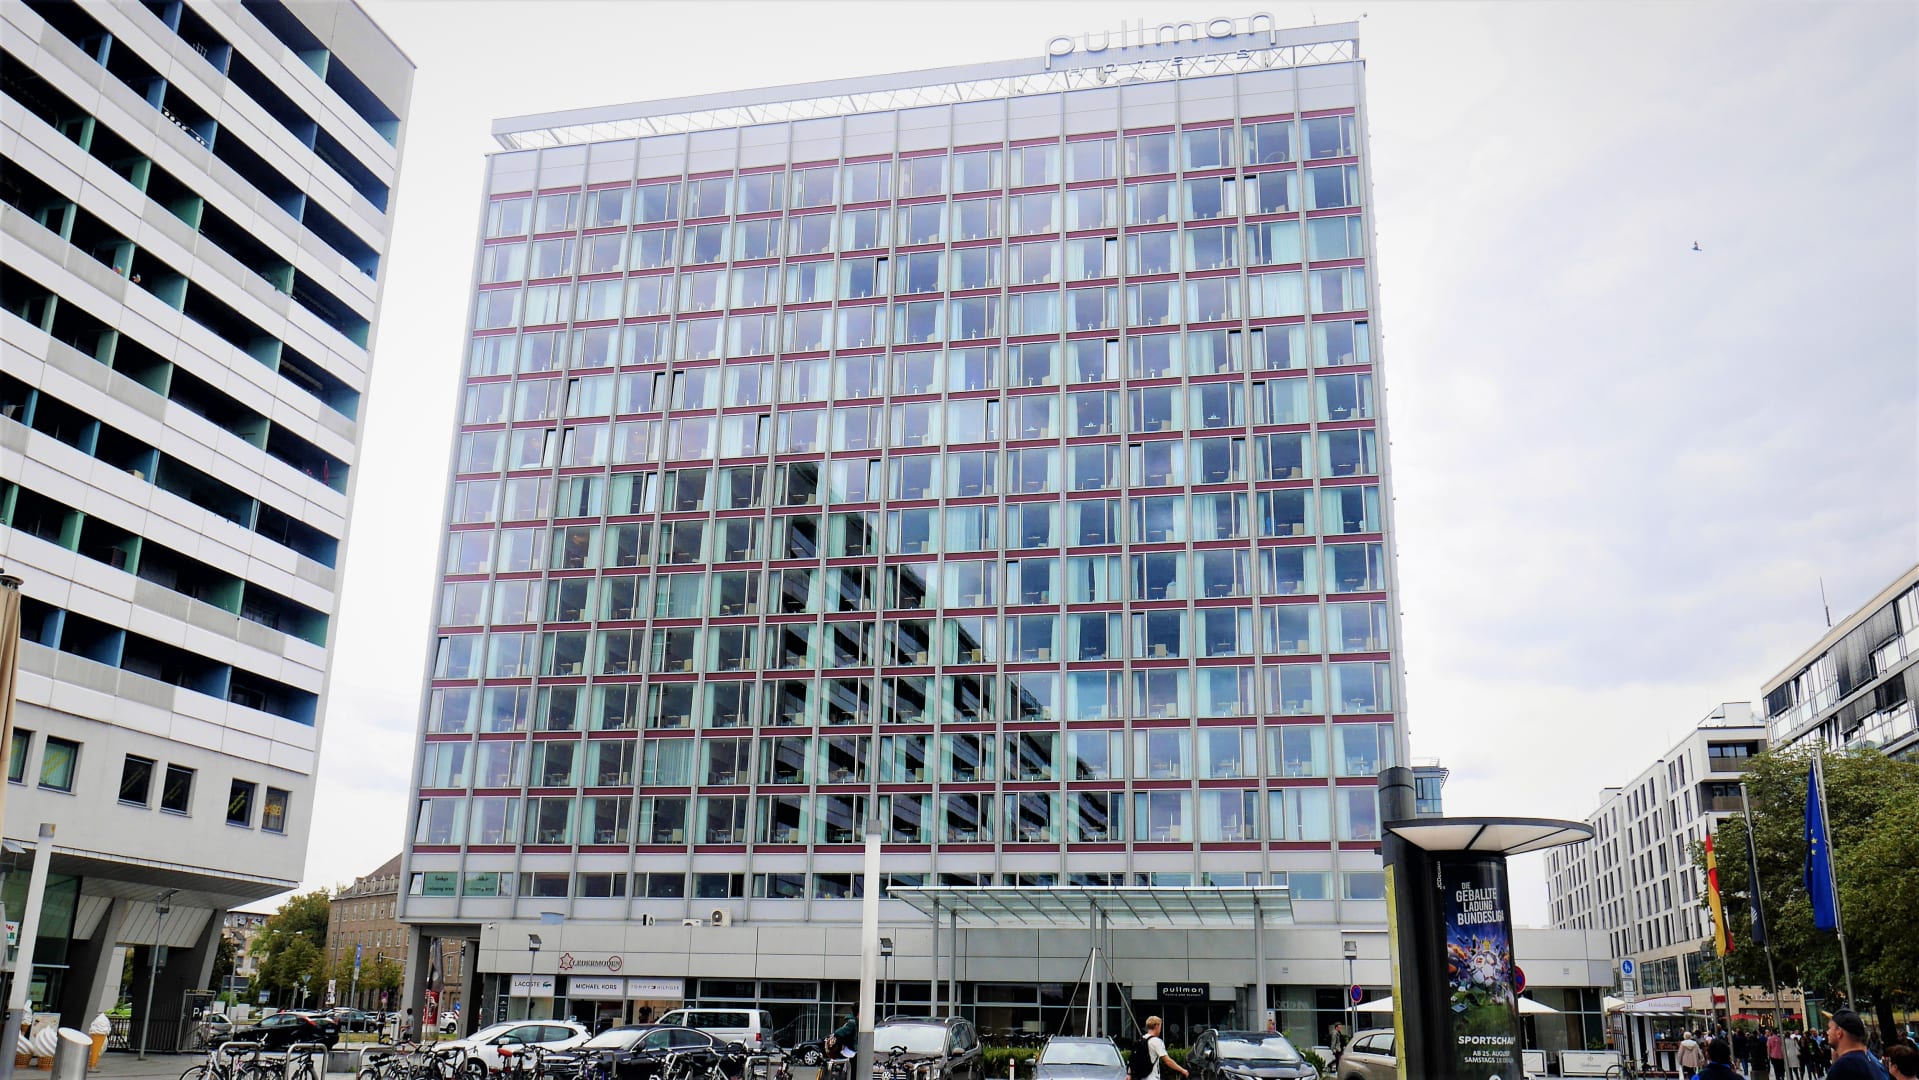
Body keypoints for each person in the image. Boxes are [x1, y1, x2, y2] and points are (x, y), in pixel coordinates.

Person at [1826, 1010, 1890, 1080]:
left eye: (1829, 1028)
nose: (1827, 1032)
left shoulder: (1843, 1067)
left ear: (1839, 1032)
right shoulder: (1873, 1063)